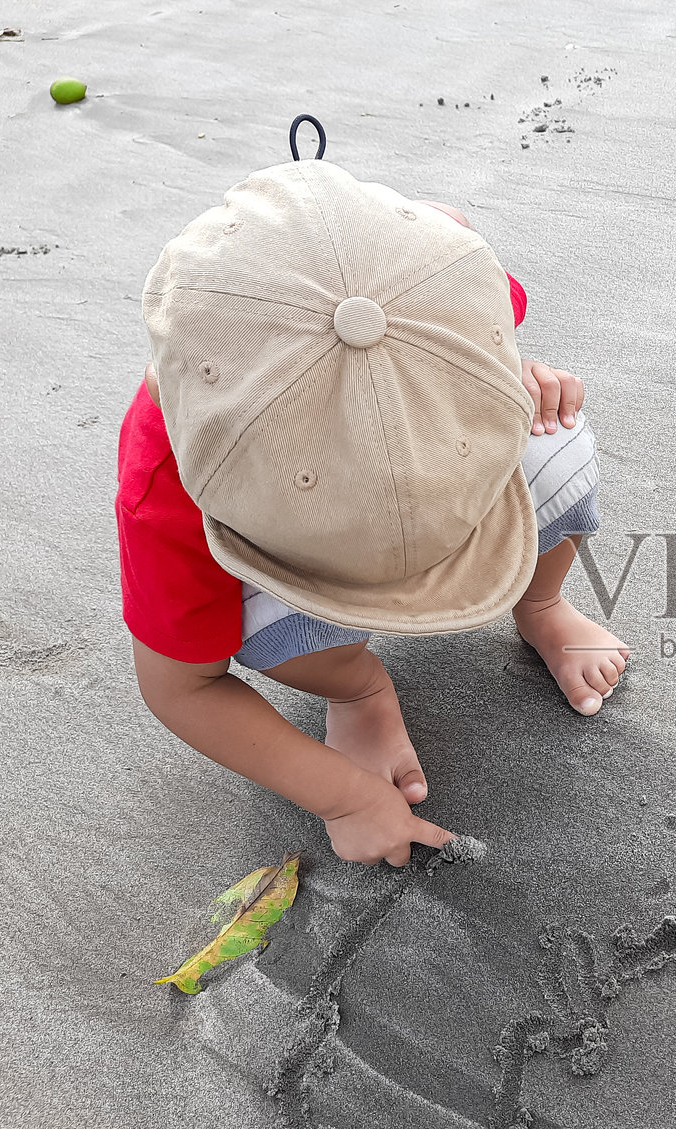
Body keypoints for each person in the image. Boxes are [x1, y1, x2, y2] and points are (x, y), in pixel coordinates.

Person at [117, 155, 627, 867]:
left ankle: (539, 604)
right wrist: (343, 797)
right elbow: (180, 688)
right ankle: (356, 689)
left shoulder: (430, 280)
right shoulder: (168, 488)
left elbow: (453, 233)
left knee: (554, 433)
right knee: (253, 621)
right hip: (269, 544)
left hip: (431, 404)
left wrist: (512, 377)